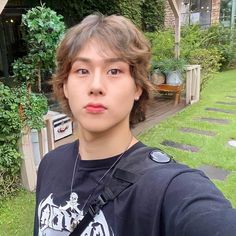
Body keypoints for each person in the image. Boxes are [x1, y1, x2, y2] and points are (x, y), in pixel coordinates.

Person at [34, 14, 236, 236]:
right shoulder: (49, 165)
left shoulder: (168, 188)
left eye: (114, 71)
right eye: (82, 70)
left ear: (137, 87)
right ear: (64, 85)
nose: (96, 86)